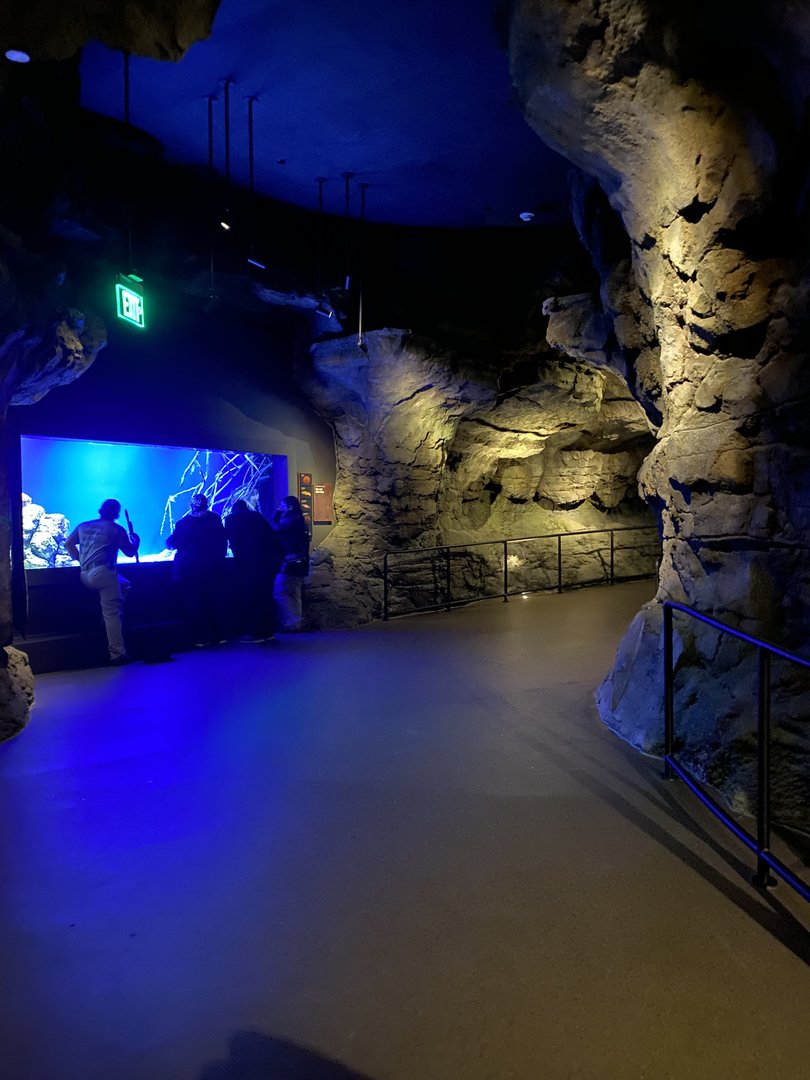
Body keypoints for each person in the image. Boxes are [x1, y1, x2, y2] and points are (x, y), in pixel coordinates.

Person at [64, 498, 140, 665]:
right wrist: (136, 542)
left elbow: (68, 543)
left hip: (85, 574)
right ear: (116, 513)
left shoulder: (83, 525)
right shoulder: (115, 528)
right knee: (112, 615)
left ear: (100, 510)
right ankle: (117, 654)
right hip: (104, 573)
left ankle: (108, 612)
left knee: (125, 584)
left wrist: (81, 561)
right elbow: (129, 552)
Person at [166, 492, 227, 647]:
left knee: (194, 601)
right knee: (214, 599)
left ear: (191, 505)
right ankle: (219, 635)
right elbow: (222, 541)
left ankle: (201, 637)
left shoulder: (184, 523)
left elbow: (172, 543)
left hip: (189, 569)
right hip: (212, 567)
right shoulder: (214, 519)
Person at [224, 498, 281, 642]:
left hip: (247, 564)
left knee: (252, 597)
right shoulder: (257, 516)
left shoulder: (231, 519)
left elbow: (233, 539)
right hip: (266, 563)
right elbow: (271, 536)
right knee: (265, 596)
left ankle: (256, 633)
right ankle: (268, 631)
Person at [270, 495, 310, 631]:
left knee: (279, 591)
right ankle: (296, 623)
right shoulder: (299, 520)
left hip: (290, 561)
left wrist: (276, 514)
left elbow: (275, 528)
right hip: (300, 561)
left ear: (290, 507)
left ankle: (291, 622)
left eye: (282, 505)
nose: (280, 507)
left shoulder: (290, 521)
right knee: (295, 592)